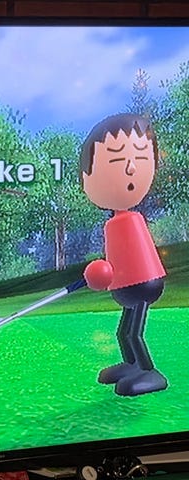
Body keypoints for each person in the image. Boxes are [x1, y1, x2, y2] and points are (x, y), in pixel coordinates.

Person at [80, 113, 167, 396]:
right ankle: (131, 364)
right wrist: (103, 274)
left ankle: (149, 371)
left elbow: (140, 260)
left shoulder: (133, 221)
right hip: (125, 288)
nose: (130, 168)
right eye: (117, 160)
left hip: (144, 285)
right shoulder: (113, 225)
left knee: (133, 332)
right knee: (122, 332)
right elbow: (114, 264)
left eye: (140, 159)